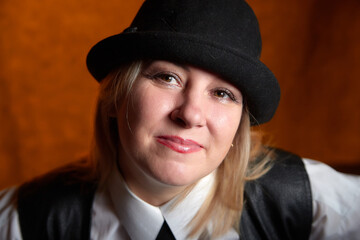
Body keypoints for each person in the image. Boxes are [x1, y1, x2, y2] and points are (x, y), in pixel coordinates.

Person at [0, 0, 359, 239]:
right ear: (115, 97)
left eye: (222, 93)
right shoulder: (26, 219)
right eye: (166, 77)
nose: (189, 114)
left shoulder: (304, 199)